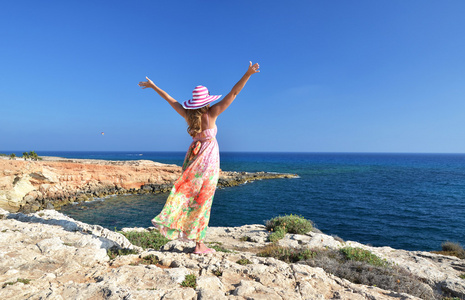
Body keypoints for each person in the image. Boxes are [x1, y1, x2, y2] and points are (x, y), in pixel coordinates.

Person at [138, 61, 260, 254]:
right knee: (204, 200)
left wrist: (153, 86)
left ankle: (187, 233)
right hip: (208, 160)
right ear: (207, 101)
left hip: (193, 158)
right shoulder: (212, 113)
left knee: (189, 196)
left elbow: (170, 99)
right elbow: (234, 93)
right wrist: (248, 74)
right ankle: (199, 245)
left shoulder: (187, 115)